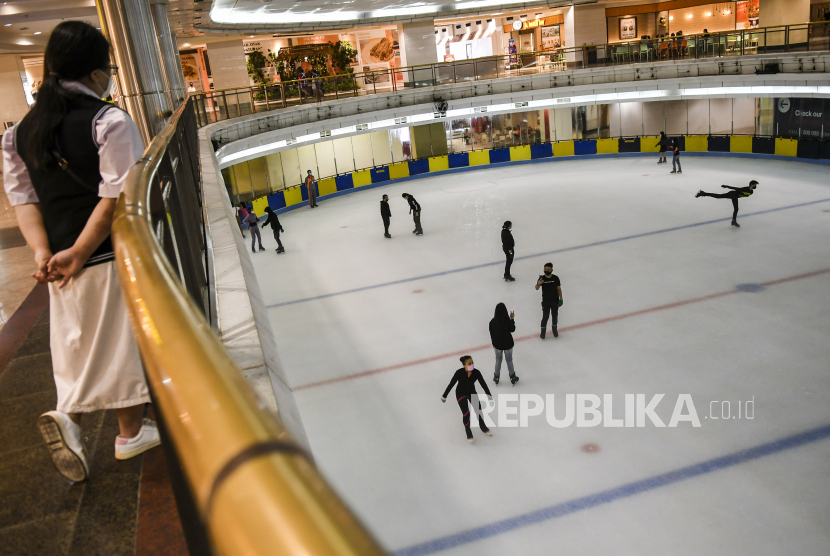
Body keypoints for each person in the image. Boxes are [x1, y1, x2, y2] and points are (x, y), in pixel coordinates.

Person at [3, 21, 159, 482]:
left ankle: (94, 423)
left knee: (76, 342)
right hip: (105, 253)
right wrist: (81, 249)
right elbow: (115, 197)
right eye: (108, 68)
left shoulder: (17, 134)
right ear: (95, 73)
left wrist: (42, 253)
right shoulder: (108, 120)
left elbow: (24, 200)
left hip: (56, 261)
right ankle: (106, 427)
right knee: (116, 343)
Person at [441, 355, 493, 443]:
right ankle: (468, 431)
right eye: (469, 363)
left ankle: (482, 426)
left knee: (478, 410)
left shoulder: (476, 373)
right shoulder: (459, 373)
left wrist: (489, 397)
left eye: (472, 362)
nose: (472, 365)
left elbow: (483, 385)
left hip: (471, 392)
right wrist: (444, 395)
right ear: (464, 365)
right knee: (466, 413)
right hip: (460, 393)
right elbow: (451, 384)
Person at [489, 303, 518, 386]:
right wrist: (512, 319)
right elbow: (512, 329)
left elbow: (491, 334)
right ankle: (512, 377)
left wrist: (494, 343)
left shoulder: (492, 322)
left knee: (498, 359)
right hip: (508, 344)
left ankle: (496, 377)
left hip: (497, 345)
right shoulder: (507, 321)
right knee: (509, 360)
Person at [535, 262, 563, 339]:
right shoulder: (542, 278)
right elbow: (536, 288)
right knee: (545, 317)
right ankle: (543, 332)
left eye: (548, 269)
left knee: (554, 316)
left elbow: (559, 289)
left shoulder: (555, 278)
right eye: (545, 269)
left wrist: (561, 298)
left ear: (551, 270)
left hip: (555, 301)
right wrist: (538, 283)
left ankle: (555, 330)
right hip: (546, 302)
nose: (546, 270)